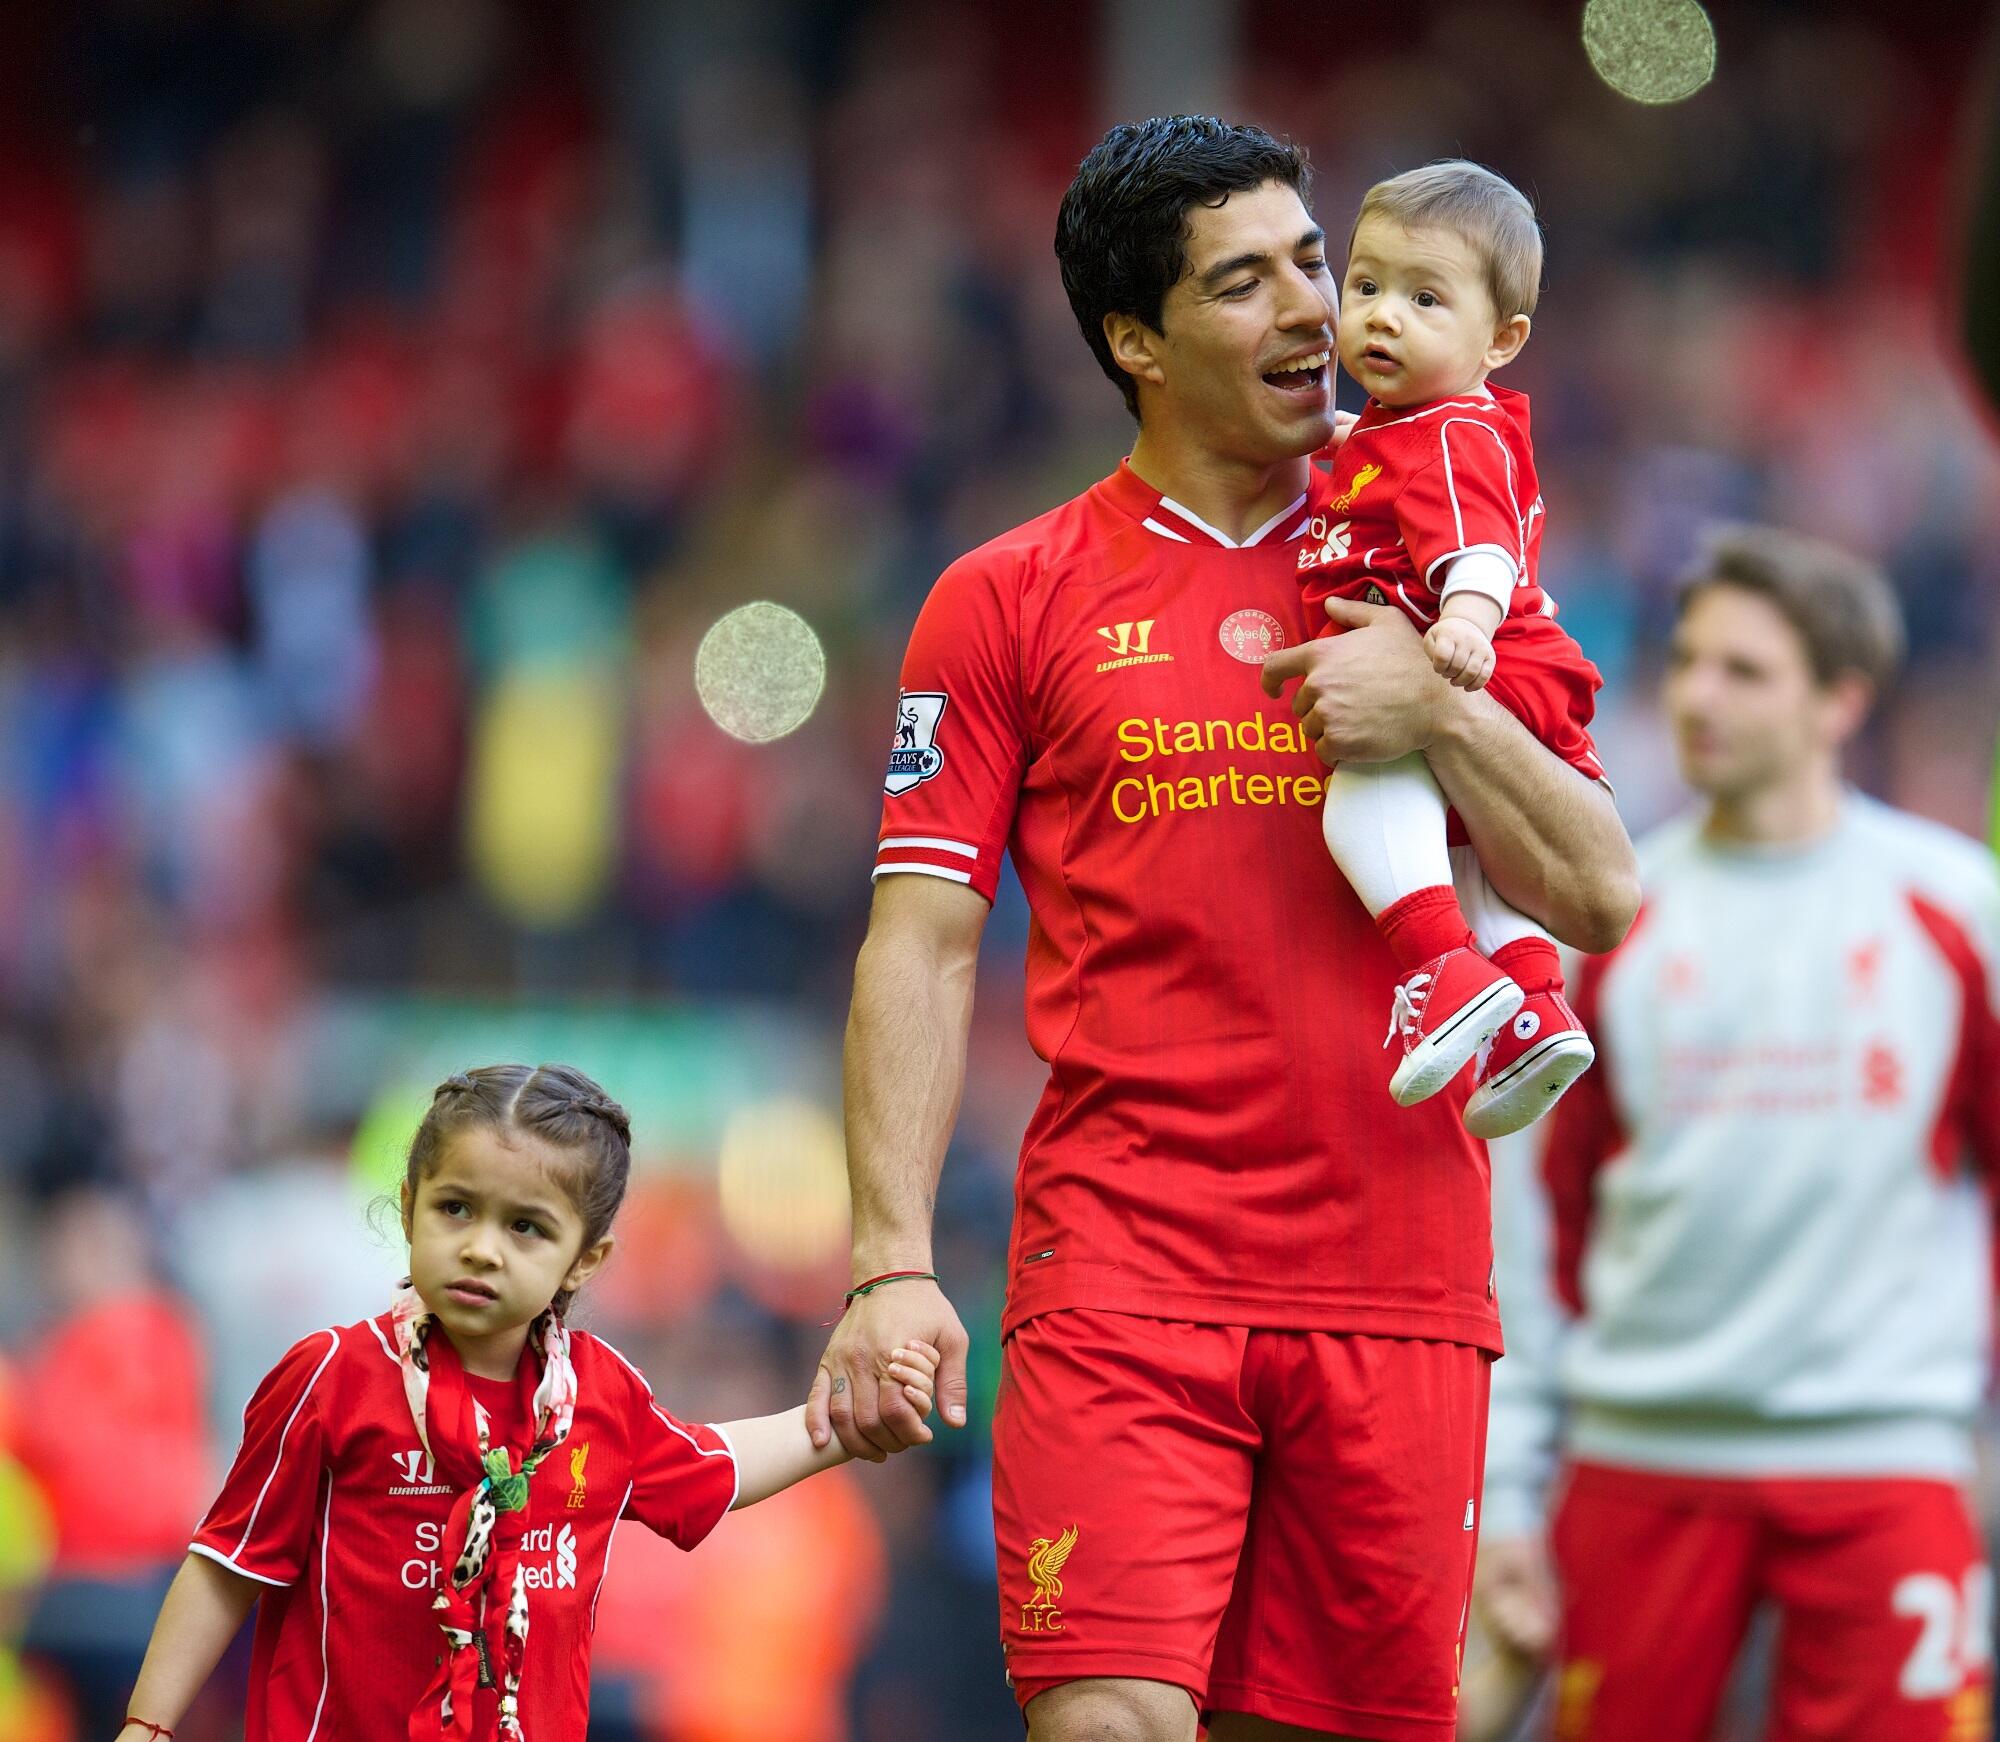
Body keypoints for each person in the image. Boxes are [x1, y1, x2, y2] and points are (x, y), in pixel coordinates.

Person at [809, 115, 1639, 1742]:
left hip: (1399, 1275)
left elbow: (1598, 888)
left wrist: (1444, 712)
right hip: (1128, 1261)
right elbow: (916, 938)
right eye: (1245, 282)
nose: (1315, 313)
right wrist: (888, 1261)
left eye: (1314, 262)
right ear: (1135, 337)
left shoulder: (1441, 548)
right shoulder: (1005, 596)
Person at [1474, 526, 2000, 1742]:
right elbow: (1525, 1239)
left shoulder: (1957, 913)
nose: (1698, 696)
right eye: (1690, 662)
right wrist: (1505, 1496)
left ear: (1839, 700)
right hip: (1637, 1457)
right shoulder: (1601, 928)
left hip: (1886, 1454)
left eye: (1744, 670)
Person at [115, 1063, 938, 1742]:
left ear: (586, 1259)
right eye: (455, 1208)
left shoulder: (600, 1394)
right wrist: (147, 1728)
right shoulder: (330, 1374)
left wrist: (846, 1422)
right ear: (409, 1207)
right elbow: (226, 1568)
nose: (481, 1246)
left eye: (527, 1228)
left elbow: (711, 1466)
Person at [1301, 163, 1602, 1139]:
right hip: (1496, 661)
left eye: (1425, 298)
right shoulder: (1411, 428)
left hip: (1474, 652)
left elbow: (1478, 541)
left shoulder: (1444, 434)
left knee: (1365, 796)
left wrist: (1462, 623)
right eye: (1366, 286)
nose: (1383, 316)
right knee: (1466, 849)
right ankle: (1530, 1009)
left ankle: (1439, 969)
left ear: (1499, 340)